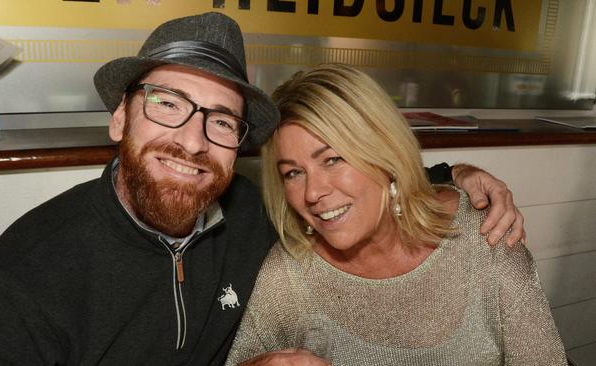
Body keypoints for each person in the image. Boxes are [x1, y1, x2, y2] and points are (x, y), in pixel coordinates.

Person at [0, 13, 523, 366]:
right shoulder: (24, 277)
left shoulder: (252, 213)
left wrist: (453, 178)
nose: (193, 140)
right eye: (168, 103)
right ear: (120, 118)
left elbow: (351, 188)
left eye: (221, 121)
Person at [225, 64, 566, 365]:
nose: (312, 193)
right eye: (293, 173)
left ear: (384, 152)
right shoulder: (288, 275)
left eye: (332, 159)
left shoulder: (485, 235)